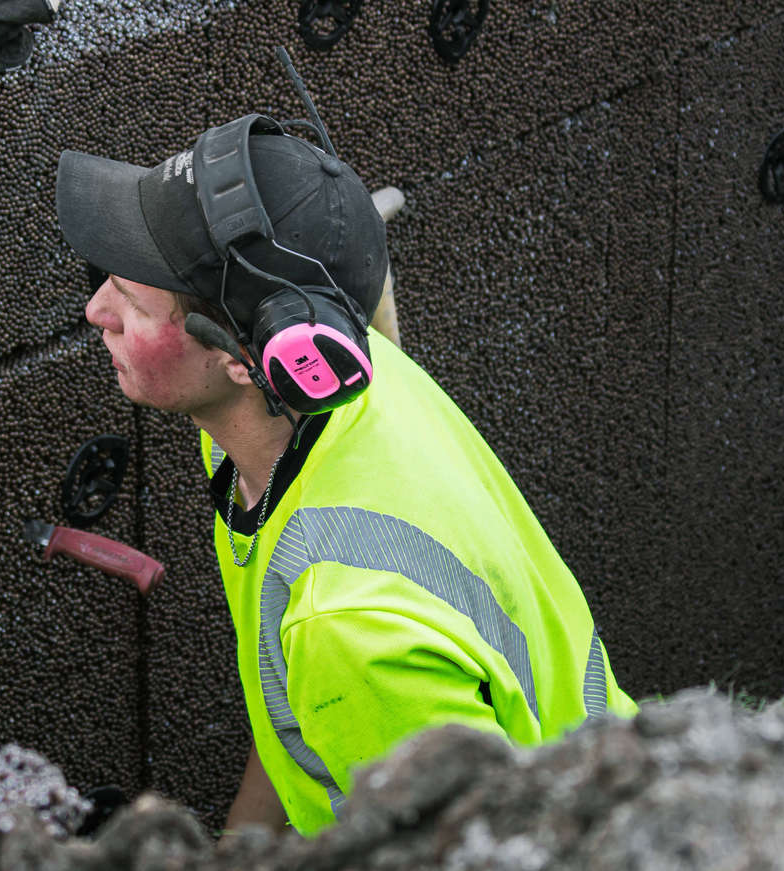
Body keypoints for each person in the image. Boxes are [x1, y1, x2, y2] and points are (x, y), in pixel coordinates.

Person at [54, 111, 637, 838]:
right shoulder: (308, 401)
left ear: (247, 359)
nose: (94, 309)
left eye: (133, 301)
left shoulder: (350, 627)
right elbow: (301, 717)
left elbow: (470, 854)